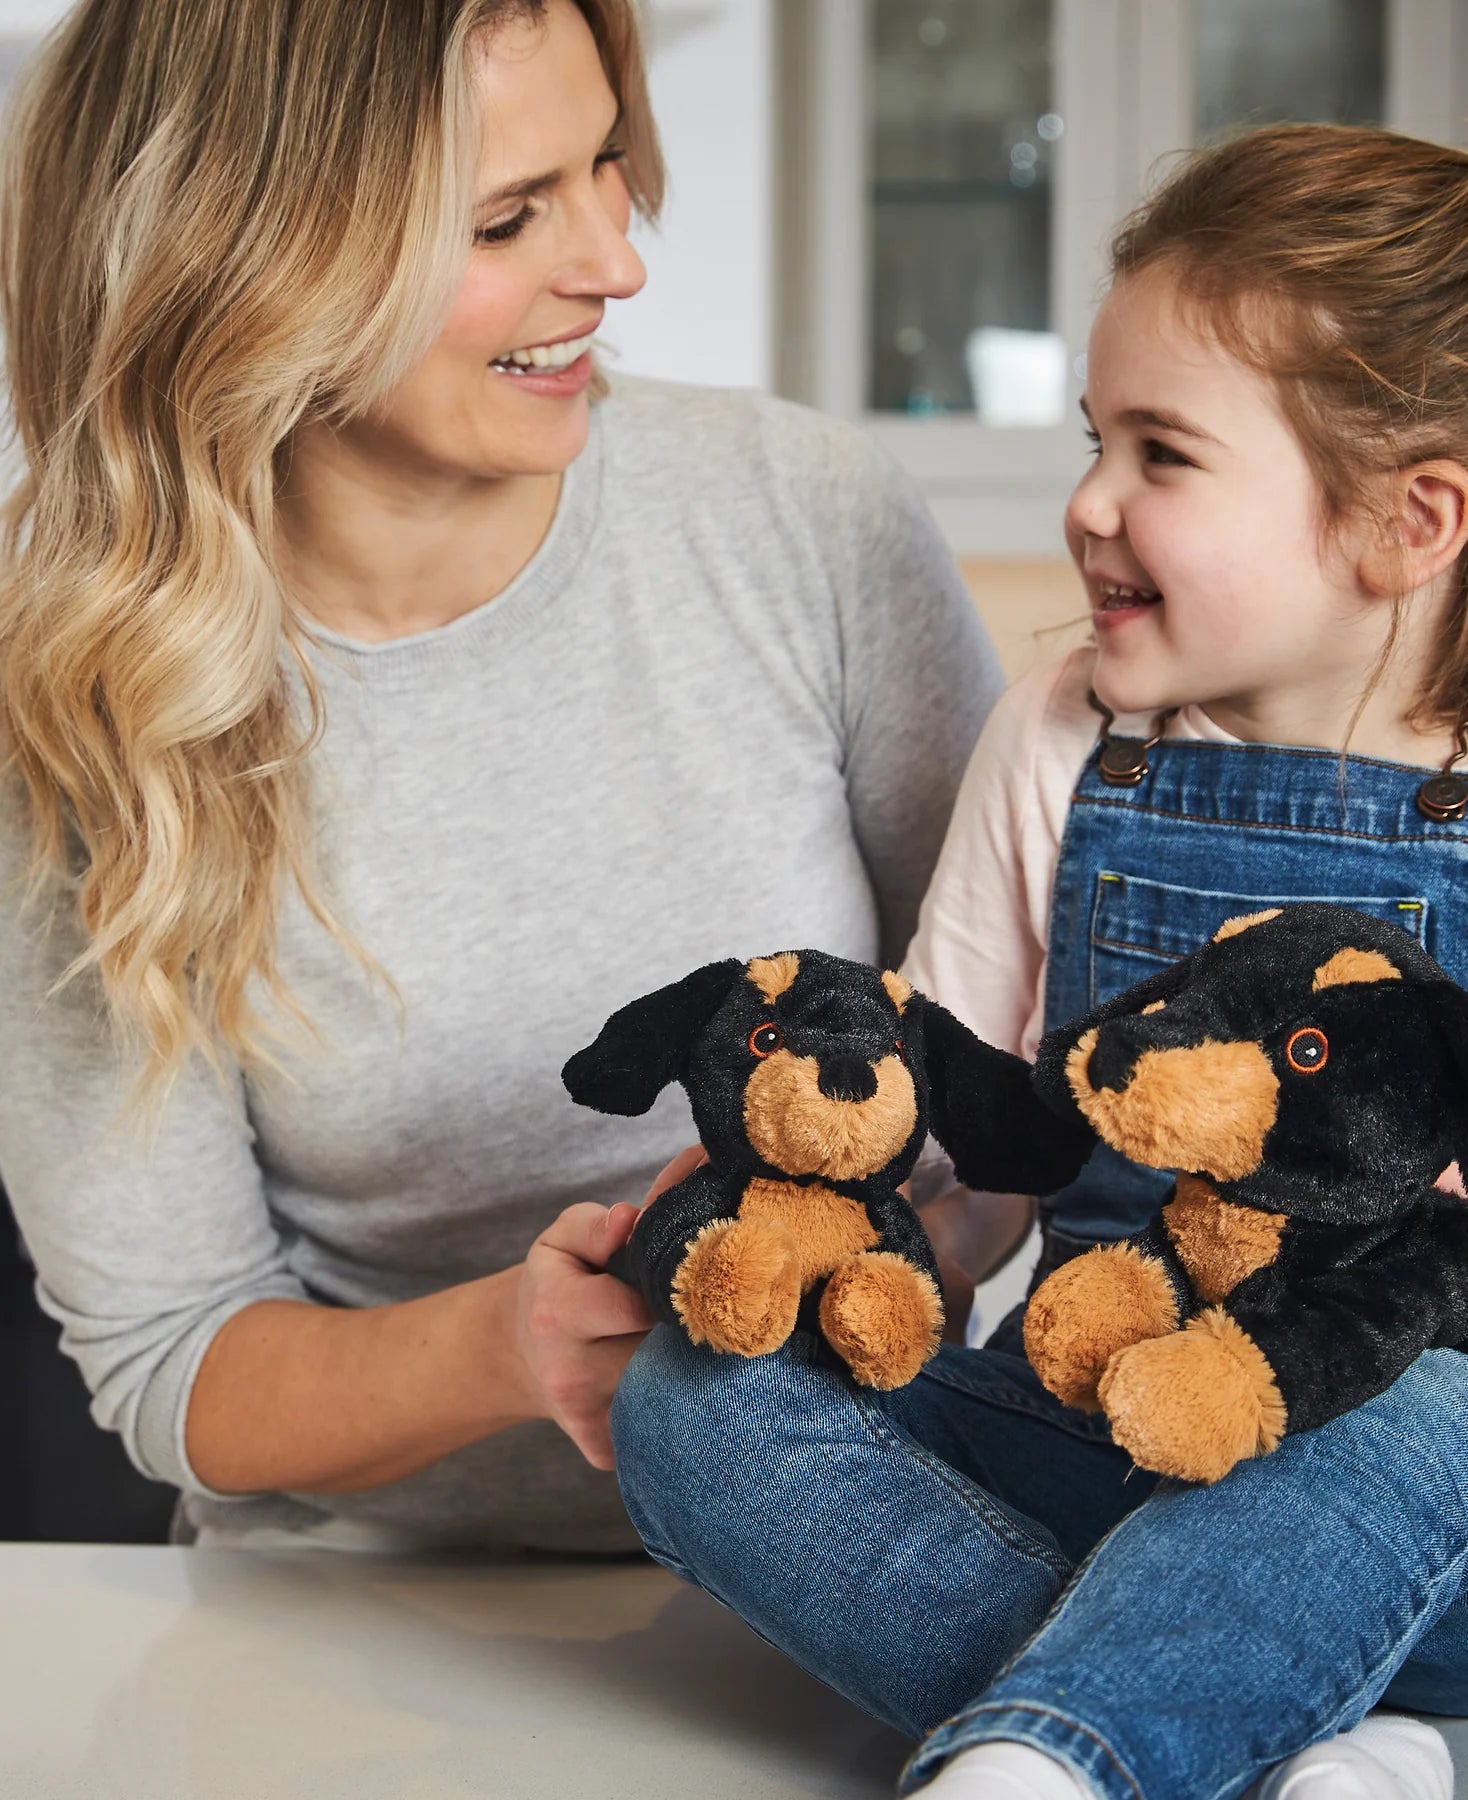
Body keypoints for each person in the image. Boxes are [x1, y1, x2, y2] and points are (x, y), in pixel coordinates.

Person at [610, 125, 1468, 1800]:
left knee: (1420, 1415)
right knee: (684, 1400)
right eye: (1096, 439)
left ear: (1408, 522)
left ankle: (1069, 1752)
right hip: (1121, 1439)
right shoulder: (1054, 744)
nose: (1089, 503)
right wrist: (831, 1217)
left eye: (1162, 454)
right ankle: (1244, 1720)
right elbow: (973, 1155)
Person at [0, 0, 1002, 1552]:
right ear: (251, 262)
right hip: (367, 1609)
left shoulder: (802, 514)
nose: (615, 262)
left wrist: (878, 1279)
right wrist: (510, 1348)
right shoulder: (89, 695)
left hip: (876, 1546)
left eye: (604, 165)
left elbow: (1023, 1071)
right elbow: (170, 1358)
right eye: (505, 217)